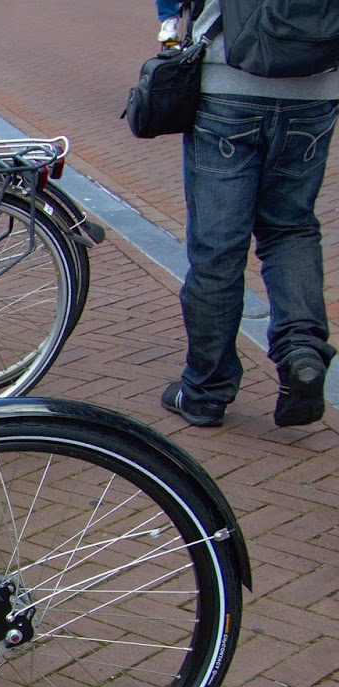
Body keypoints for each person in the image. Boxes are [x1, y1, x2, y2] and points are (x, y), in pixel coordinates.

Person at [162, 0, 339, 427]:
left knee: (217, 247)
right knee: (291, 229)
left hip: (228, 84)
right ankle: (302, 353)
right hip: (316, 85)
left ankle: (206, 391)